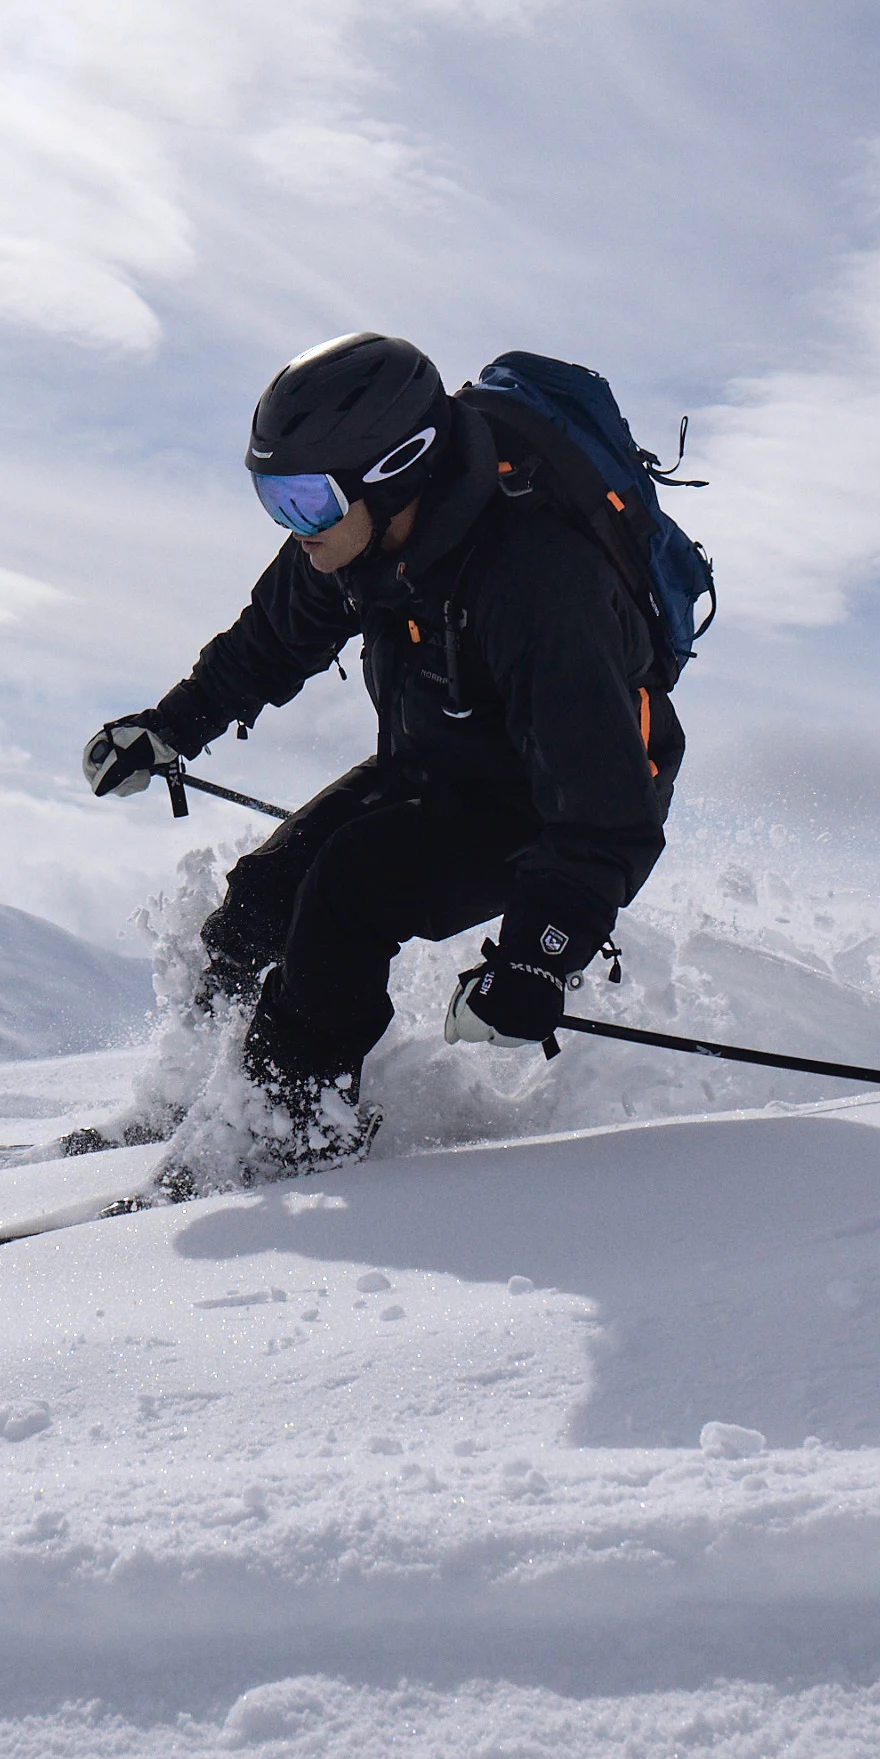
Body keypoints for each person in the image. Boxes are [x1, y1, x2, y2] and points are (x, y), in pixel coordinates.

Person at [84, 332, 684, 1178]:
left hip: (546, 803)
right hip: (435, 759)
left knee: (349, 891)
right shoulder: (354, 541)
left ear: (395, 471)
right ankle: (200, 1096)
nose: (294, 529)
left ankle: (287, 1132)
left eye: (305, 503)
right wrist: (171, 727)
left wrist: (536, 956)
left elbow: (606, 808)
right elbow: (268, 640)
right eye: (274, 501)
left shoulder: (539, 582)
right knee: (258, 903)